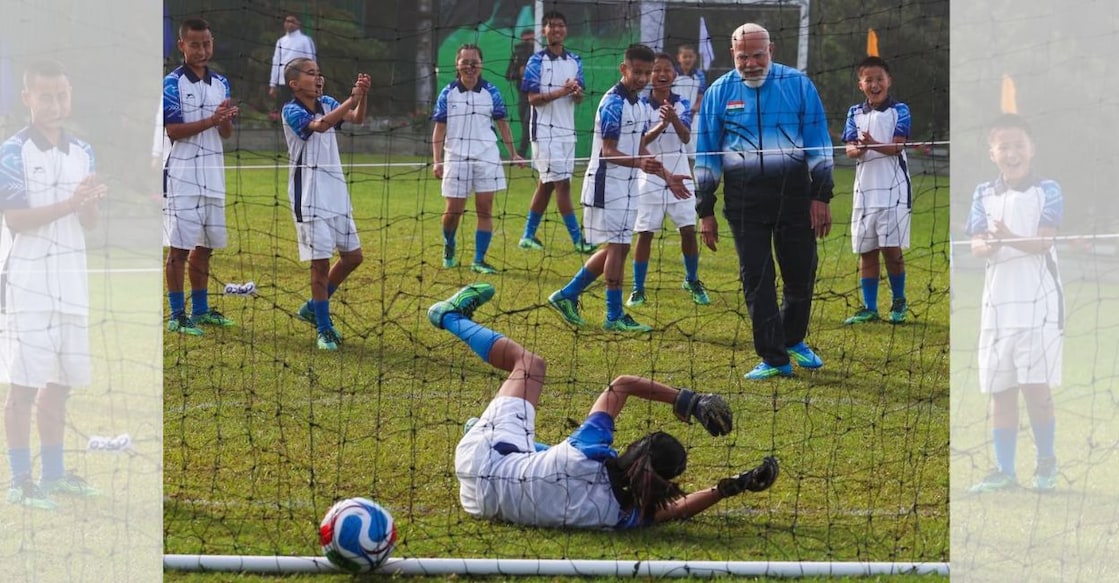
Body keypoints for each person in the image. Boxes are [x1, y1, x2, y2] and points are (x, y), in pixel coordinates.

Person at [427, 282, 779, 529]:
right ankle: (486, 428)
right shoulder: (623, 514)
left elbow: (620, 385)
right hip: (478, 502)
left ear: (638, 448)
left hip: (482, 456)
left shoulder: (588, 452)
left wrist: (689, 401)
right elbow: (676, 511)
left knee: (531, 365)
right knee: (542, 462)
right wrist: (730, 487)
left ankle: (449, 316)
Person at [693, 23, 834, 380]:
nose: (751, 63)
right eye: (744, 56)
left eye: (758, 55)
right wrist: (704, 210)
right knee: (756, 277)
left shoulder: (798, 85)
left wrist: (821, 197)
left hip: (795, 197)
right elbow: (706, 154)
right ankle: (774, 358)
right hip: (744, 201)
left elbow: (819, 143)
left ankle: (792, 338)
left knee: (801, 273)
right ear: (732, 55)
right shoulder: (718, 93)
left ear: (771, 50)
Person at [1, 60, 106, 509]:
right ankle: (20, 481)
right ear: (27, 98)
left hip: (72, 284)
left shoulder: (83, 150)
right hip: (28, 283)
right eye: (45, 96)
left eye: (62, 94)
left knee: (62, 382)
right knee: (23, 385)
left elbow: (90, 223)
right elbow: (16, 219)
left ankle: (55, 475)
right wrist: (70, 202)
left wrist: (88, 203)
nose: (55, 104)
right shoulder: (12, 152)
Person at [547, 44, 691, 332]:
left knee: (619, 248)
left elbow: (638, 147)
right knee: (619, 247)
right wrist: (640, 163)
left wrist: (668, 175)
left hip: (627, 186)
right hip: (606, 185)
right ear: (624, 69)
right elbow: (608, 151)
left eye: (646, 73)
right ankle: (612, 315)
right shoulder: (614, 103)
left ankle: (567, 294)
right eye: (637, 72)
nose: (642, 78)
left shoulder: (638, 104)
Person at [965, 114, 1062, 493]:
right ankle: (1005, 472)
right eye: (1003, 146)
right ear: (992, 153)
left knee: (1035, 387)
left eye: (1018, 145)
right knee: (1000, 389)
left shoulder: (1048, 190)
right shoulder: (982, 193)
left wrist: (1007, 237)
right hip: (997, 305)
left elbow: (1044, 242)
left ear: (1031, 149)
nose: (1012, 152)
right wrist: (988, 244)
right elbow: (976, 245)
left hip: (1039, 305)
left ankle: (1046, 466)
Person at [282, 58, 370, 351]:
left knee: (353, 257)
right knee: (319, 264)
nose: (318, 78)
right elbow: (320, 126)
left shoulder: (329, 101)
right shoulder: (291, 110)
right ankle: (324, 328)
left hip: (336, 194)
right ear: (294, 84)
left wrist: (361, 96)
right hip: (309, 198)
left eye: (320, 73)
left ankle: (312, 307)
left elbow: (356, 118)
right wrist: (350, 100)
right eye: (311, 74)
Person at [163, 17, 239, 336]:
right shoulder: (172, 83)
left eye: (206, 43)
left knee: (206, 246)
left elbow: (226, 134)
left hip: (213, 176)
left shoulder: (221, 82)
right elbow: (173, 131)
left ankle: (202, 310)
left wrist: (224, 119)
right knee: (179, 248)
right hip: (182, 176)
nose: (202, 49)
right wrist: (211, 120)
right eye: (195, 44)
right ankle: (177, 315)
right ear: (182, 45)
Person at [433, 44, 525, 274]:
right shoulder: (447, 93)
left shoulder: (492, 92)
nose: (470, 66)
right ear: (457, 64)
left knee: (485, 208)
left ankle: (479, 260)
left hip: (487, 156)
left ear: (481, 65)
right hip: (456, 157)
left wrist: (513, 153)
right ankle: (449, 245)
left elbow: (503, 125)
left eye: (474, 62)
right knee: (453, 211)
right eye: (465, 62)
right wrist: (437, 160)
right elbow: (438, 130)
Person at [628, 52, 708, 309]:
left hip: (680, 171)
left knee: (687, 229)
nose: (662, 74)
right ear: (650, 75)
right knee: (645, 232)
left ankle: (692, 280)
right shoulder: (639, 106)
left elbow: (685, 138)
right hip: (649, 174)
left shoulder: (682, 103)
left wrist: (673, 119)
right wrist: (662, 124)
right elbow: (639, 143)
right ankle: (638, 289)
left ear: (674, 76)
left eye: (667, 70)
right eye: (657, 70)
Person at [517, 11, 595, 254]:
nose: (557, 30)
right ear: (544, 31)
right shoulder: (535, 61)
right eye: (552, 26)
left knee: (546, 185)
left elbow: (579, 98)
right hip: (544, 133)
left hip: (567, 133)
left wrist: (576, 93)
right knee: (562, 185)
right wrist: (562, 92)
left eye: (561, 25)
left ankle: (527, 236)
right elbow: (533, 99)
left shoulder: (575, 60)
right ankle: (577, 240)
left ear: (566, 30)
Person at [842, 56, 911, 325]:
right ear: (861, 84)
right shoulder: (854, 113)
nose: (874, 84)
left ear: (888, 81)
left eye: (879, 79)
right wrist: (858, 149)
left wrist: (871, 144)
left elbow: (898, 146)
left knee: (891, 249)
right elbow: (849, 149)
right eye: (868, 80)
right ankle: (869, 307)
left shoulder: (900, 110)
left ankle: (899, 302)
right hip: (864, 191)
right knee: (866, 249)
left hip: (893, 190)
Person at [269, 14, 316, 103]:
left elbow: (311, 61)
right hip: (283, 82)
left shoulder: (305, 40)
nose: (290, 24)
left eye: (292, 21)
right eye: (287, 21)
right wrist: (272, 84)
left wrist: (312, 80)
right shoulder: (281, 41)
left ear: (298, 23)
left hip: (301, 82)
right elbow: (276, 63)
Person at [671, 44, 706, 163]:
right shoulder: (672, 73)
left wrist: (692, 111)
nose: (687, 59)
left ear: (695, 57)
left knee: (693, 151)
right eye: (685, 56)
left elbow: (700, 97)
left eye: (690, 56)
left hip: (693, 117)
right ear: (679, 57)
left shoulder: (699, 75)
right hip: (673, 115)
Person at [505, 28, 535, 158]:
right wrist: (520, 74)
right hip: (523, 95)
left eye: (531, 40)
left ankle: (521, 153)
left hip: (539, 95)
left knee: (529, 122)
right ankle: (522, 154)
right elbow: (508, 75)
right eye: (526, 41)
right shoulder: (518, 54)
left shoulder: (540, 54)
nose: (528, 43)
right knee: (525, 124)